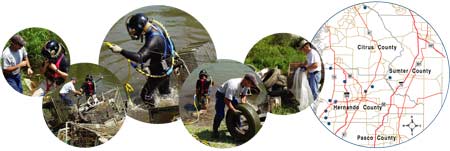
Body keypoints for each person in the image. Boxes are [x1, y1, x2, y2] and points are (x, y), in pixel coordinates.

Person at [107, 13, 177, 108]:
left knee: (145, 95)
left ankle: (155, 111)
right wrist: (175, 60)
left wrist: (121, 51)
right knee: (164, 92)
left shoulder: (153, 39)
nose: (133, 32)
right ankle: (171, 104)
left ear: (140, 27)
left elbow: (140, 57)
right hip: (167, 64)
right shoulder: (155, 27)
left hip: (160, 70)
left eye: (134, 29)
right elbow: (169, 43)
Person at [212, 73, 260, 138]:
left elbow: (244, 95)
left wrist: (243, 100)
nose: (251, 86)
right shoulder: (233, 85)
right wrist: (233, 110)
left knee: (238, 110)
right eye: (251, 84)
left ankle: (237, 127)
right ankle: (215, 130)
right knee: (220, 114)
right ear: (246, 80)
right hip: (221, 94)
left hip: (231, 95)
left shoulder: (246, 85)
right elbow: (226, 100)